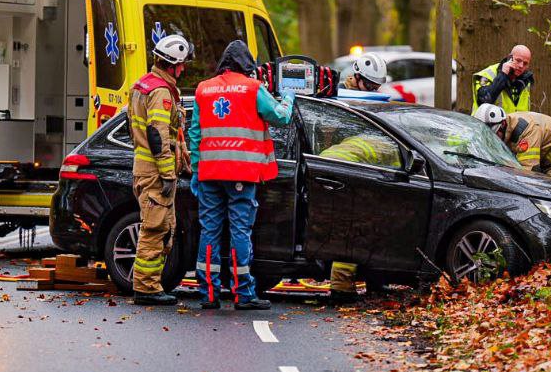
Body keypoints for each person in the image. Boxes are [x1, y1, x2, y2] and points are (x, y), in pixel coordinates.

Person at [188, 39, 295, 311]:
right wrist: (289, 97)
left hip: (210, 172)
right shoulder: (252, 88)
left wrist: (196, 171)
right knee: (239, 230)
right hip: (241, 173)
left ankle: (208, 294)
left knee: (209, 230)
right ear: (247, 66)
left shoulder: (204, 89)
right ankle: (243, 294)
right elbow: (281, 117)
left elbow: (195, 133)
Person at [127, 33, 193, 306]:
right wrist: (167, 173)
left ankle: (151, 285)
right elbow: (157, 135)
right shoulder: (161, 92)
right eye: (182, 64)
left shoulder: (142, 85)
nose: (184, 68)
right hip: (155, 172)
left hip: (145, 169)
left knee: (162, 227)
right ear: (173, 65)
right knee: (154, 229)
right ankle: (146, 288)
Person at [319, 132, 403, 303]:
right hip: (341, 176)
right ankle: (341, 290)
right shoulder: (396, 149)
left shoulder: (365, 137)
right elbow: (399, 179)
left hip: (323, 169)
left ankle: (374, 282)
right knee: (353, 234)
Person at [472, 103, 551, 181]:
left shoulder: (526, 130)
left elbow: (527, 171)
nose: (493, 139)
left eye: (494, 134)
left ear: (503, 124)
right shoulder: (502, 130)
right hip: (545, 157)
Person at [473, 44, 534, 113]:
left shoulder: (525, 81)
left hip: (514, 123)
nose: (521, 65)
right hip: (483, 123)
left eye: (525, 63)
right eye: (518, 60)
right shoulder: (487, 74)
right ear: (509, 58)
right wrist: (503, 75)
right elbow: (484, 101)